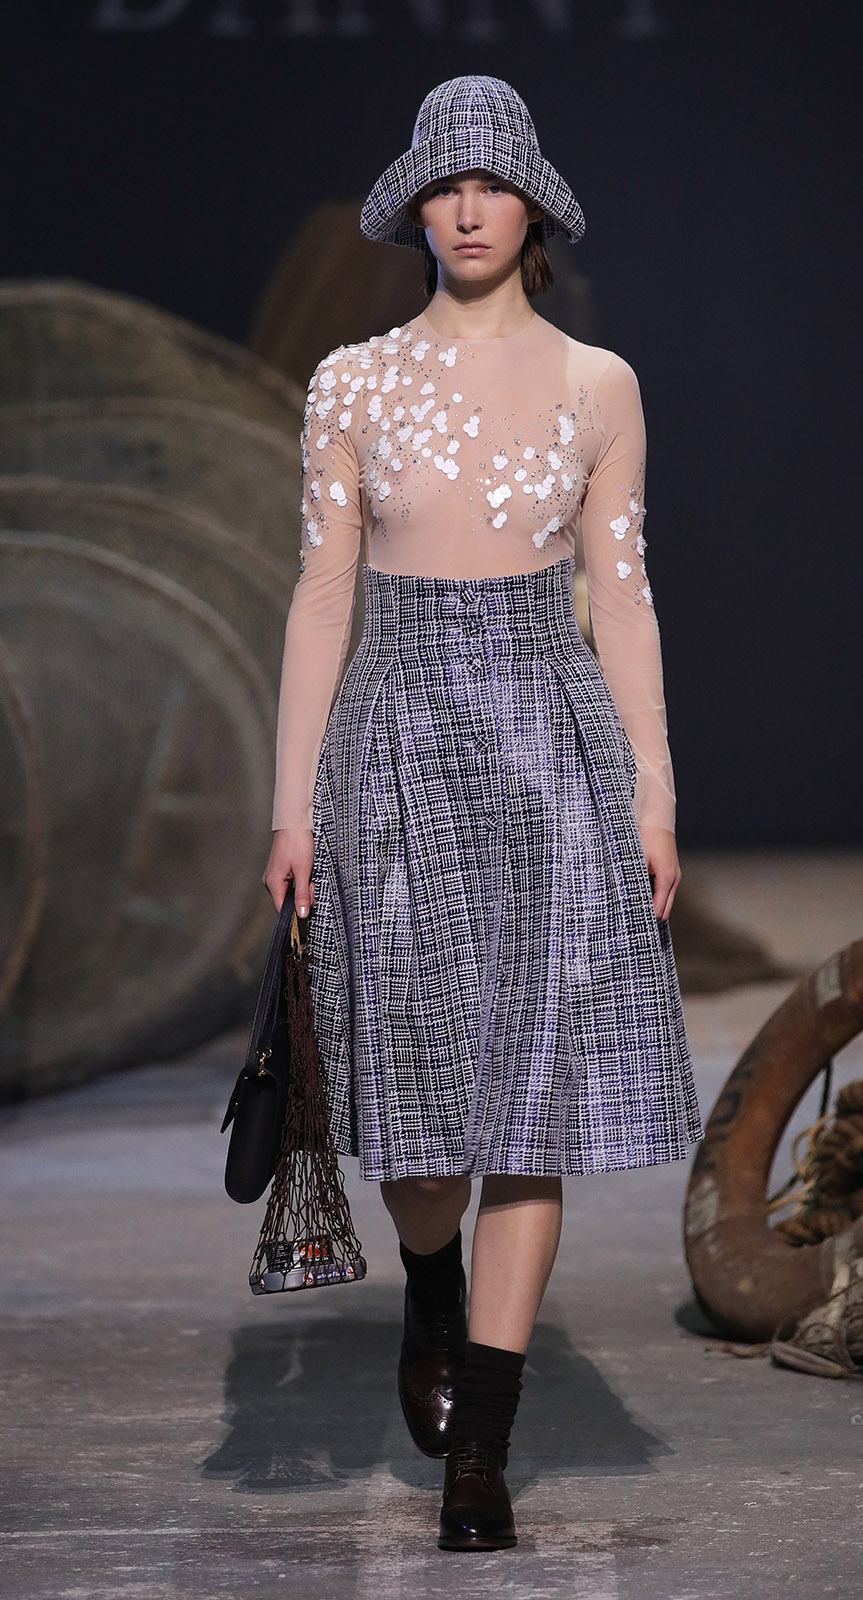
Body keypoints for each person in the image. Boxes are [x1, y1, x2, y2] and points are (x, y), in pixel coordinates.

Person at [263, 73, 704, 1552]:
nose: (466, 208)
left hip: (551, 744)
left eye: (491, 183)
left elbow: (622, 601)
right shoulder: (350, 382)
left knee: (533, 1101)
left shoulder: (599, 384)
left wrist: (652, 791)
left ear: (532, 208)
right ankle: (430, 1283)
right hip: (389, 739)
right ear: (415, 207)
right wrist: (290, 806)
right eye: (443, 184)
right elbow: (320, 600)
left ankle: (483, 1457)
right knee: (413, 1109)